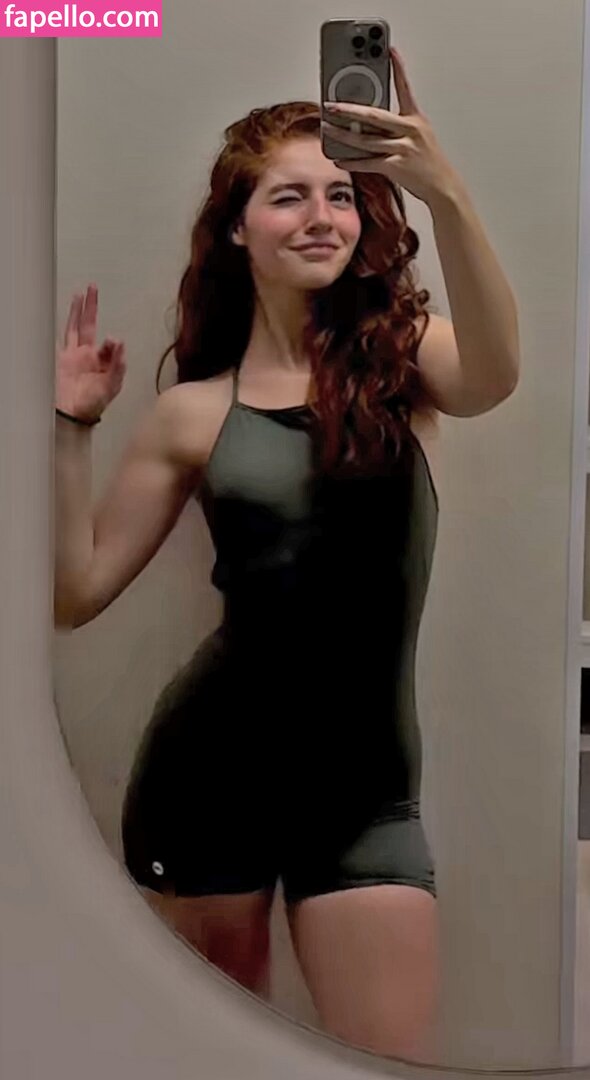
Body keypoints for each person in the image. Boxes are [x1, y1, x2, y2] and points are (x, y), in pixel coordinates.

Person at [54, 48, 519, 1061]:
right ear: (238, 227)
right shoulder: (192, 413)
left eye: (340, 194)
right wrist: (72, 428)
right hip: (205, 783)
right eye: (288, 196)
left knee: (388, 1063)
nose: (321, 215)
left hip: (367, 801)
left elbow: (494, 376)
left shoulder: (406, 367)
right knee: (216, 1063)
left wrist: (441, 191)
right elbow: (73, 592)